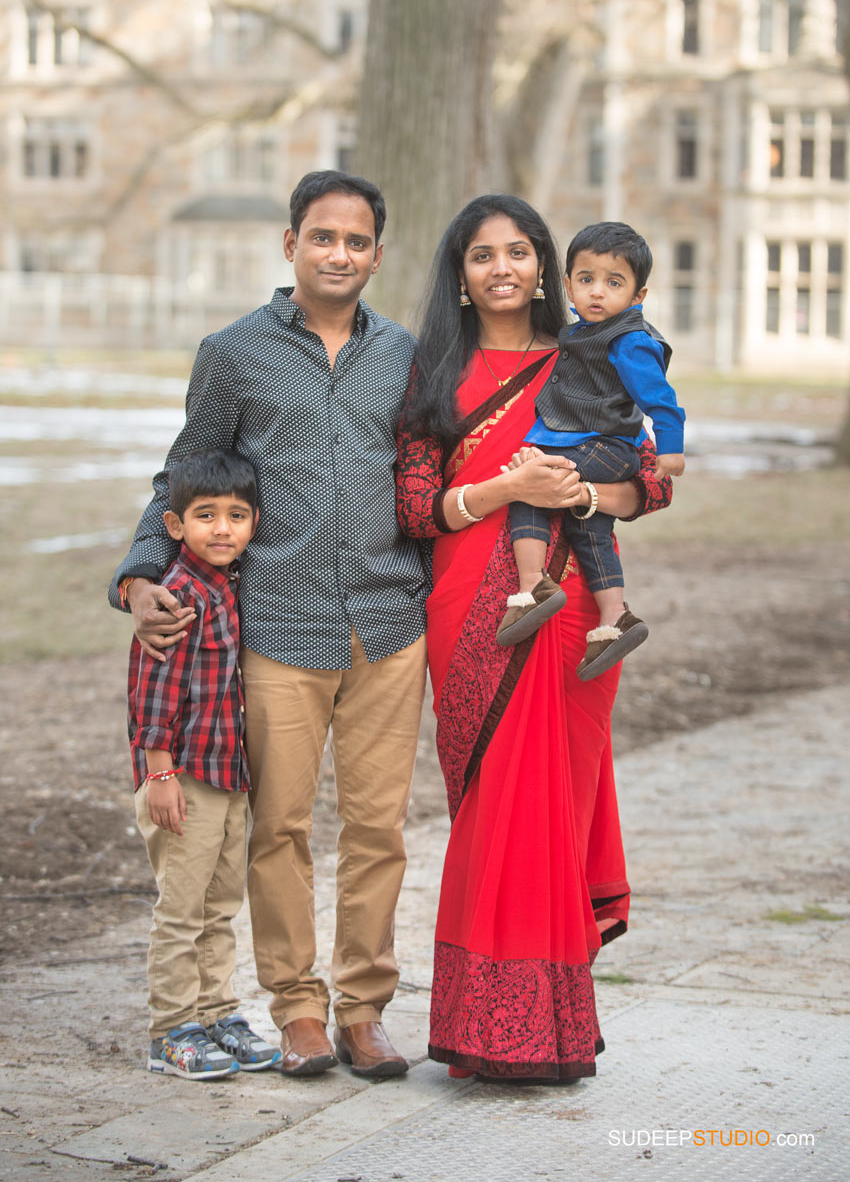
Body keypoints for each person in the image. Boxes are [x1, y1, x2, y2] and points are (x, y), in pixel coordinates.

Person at [110, 170, 428, 1079]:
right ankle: (296, 1008)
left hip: (387, 624)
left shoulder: (402, 353)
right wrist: (139, 577)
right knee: (279, 826)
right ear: (290, 243)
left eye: (358, 240)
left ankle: (365, 1007)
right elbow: (182, 475)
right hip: (279, 627)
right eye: (323, 237)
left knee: (379, 830)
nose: (340, 254)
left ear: (376, 252)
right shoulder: (235, 352)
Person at [396, 194, 672, 1082]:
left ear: (546, 265)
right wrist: (505, 488)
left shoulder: (586, 351)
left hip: (575, 609)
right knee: (497, 805)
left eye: (520, 251)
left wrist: (580, 497)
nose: (504, 267)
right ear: (462, 272)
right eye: (484, 254)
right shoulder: (431, 373)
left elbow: (651, 484)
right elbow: (414, 508)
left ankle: (547, 1026)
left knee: (559, 802)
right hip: (474, 614)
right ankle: (489, 1027)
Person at [129, 449, 282, 1079]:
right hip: (183, 779)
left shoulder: (234, 584)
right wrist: (159, 774)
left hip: (228, 776)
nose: (223, 529)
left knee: (220, 906)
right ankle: (171, 1028)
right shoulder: (178, 596)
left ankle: (218, 1011)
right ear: (175, 525)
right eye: (206, 516)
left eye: (237, 516)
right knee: (182, 908)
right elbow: (152, 694)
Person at [496, 221, 686, 680]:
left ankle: (531, 587)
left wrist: (671, 449)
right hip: (589, 444)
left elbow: (659, 398)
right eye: (586, 280)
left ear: (638, 296)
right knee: (591, 530)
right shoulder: (581, 332)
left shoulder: (629, 340)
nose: (597, 292)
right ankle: (613, 618)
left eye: (613, 282)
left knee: (532, 486)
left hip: (604, 447)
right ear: (567, 285)